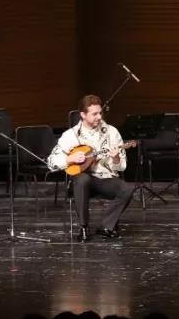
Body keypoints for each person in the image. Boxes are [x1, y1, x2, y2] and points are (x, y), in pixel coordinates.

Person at [48, 94, 134, 241]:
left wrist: (116, 158)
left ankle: (106, 226)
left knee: (127, 189)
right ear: (83, 115)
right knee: (82, 179)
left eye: (100, 113)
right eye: (94, 114)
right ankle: (83, 227)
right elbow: (51, 162)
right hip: (82, 181)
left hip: (104, 179)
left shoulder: (111, 132)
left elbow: (122, 167)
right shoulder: (71, 135)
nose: (99, 117)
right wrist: (70, 158)